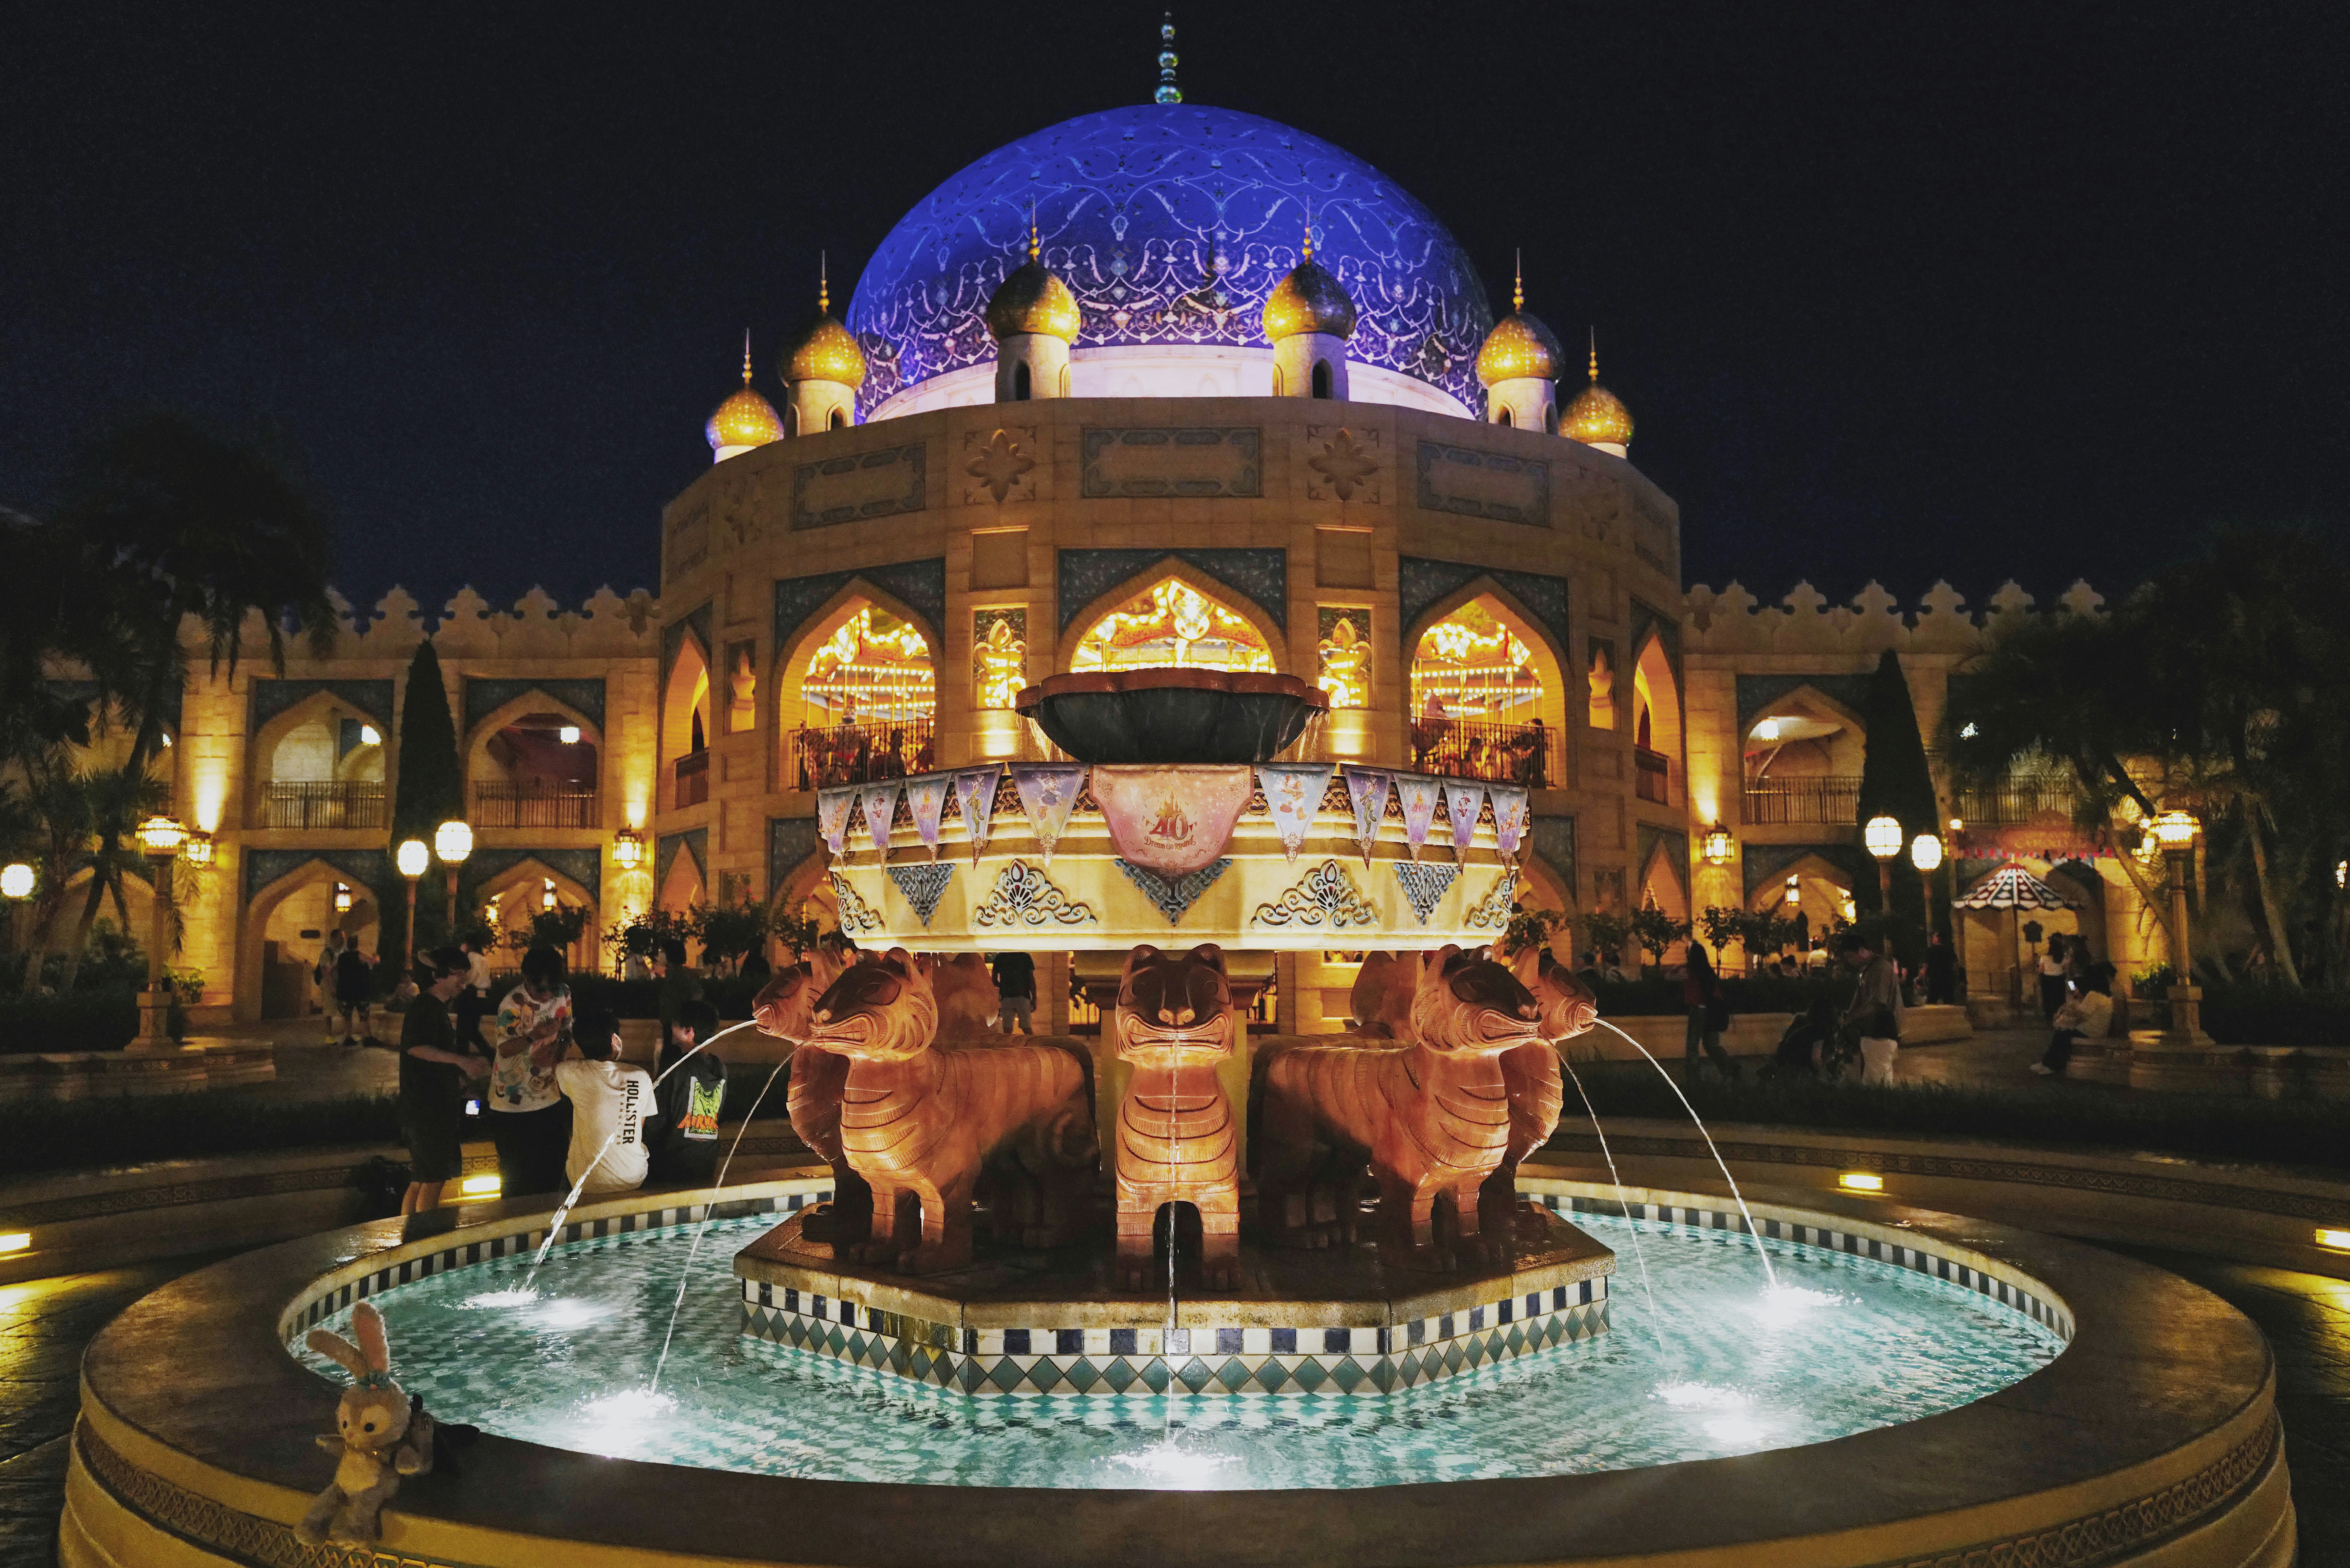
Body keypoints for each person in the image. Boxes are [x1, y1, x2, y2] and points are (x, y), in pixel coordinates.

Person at [396, 946, 490, 1214]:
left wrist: (462, 1083)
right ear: (438, 977)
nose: (463, 981)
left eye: (464, 974)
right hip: (427, 1109)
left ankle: (409, 1236)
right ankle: (424, 1239)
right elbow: (415, 1048)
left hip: (428, 1106)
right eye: (457, 975)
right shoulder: (425, 1007)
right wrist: (462, 1061)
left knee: (421, 1178)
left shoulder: (433, 1008)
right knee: (433, 1179)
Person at [486, 946, 574, 1198]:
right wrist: (536, 1035)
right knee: (517, 1180)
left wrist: (560, 1056)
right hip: (512, 1103)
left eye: (552, 988)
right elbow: (505, 1050)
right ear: (526, 979)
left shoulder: (564, 994)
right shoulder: (512, 1005)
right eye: (540, 989)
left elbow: (567, 1030)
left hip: (549, 1096)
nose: (547, 995)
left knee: (555, 1170)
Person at [555, 1003, 655, 1196]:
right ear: (614, 1039)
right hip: (634, 1176)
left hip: (587, 1182)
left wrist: (562, 1043)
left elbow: (556, 1067)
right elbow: (638, 1127)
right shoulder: (640, 1076)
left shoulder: (572, 1072)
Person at [652, 998, 727, 1184]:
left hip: (672, 1165)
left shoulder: (676, 1068)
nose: (671, 1028)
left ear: (689, 1032)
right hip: (706, 1162)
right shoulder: (720, 1068)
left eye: (675, 1025)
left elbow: (656, 1118)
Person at [1841, 930, 1904, 1086]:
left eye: (1850, 956)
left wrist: (1850, 1019)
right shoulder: (1868, 970)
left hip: (1881, 1032)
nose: (1850, 961)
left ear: (1863, 951)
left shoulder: (1880, 969)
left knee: (1878, 1080)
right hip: (1874, 1032)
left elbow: (1878, 1002)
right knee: (1872, 1078)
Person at [2033, 965, 2114, 1077]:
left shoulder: (2093, 996)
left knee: (2062, 1035)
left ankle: (2053, 1065)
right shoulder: (2106, 997)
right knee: (2063, 1033)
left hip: (2090, 1031)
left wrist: (2067, 1009)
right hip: (2098, 1030)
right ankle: (2048, 1063)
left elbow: (2079, 1015)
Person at [1682, 945, 1738, 1081]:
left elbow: (1669, 976)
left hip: (1698, 1010)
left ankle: (1693, 1077)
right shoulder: (1708, 971)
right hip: (1712, 1011)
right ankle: (1730, 1068)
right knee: (1711, 1044)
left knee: (1692, 1044)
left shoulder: (1691, 971)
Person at [1767, 996, 1838, 1079]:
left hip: (1783, 1065)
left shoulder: (1807, 1028)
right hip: (1792, 1070)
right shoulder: (1820, 1030)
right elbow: (1816, 1058)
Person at [333, 941, 375, 1047]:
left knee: (347, 1015)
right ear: (357, 945)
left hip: (345, 991)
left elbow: (330, 968)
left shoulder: (341, 957)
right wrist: (377, 957)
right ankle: (367, 1037)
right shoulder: (359, 956)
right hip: (360, 990)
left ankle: (348, 1037)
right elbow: (373, 961)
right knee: (364, 1014)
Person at [315, 929, 349, 1045]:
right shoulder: (327, 953)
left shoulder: (343, 951)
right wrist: (331, 988)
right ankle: (329, 1036)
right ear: (334, 938)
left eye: (344, 938)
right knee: (329, 1011)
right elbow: (326, 972)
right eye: (341, 938)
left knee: (345, 1009)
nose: (343, 940)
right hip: (330, 984)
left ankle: (347, 1034)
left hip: (341, 984)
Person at [990, 951, 1037, 1034]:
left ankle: (1007, 1046)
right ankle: (1033, 1046)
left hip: (1007, 997)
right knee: (1027, 1029)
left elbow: (994, 979)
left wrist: (1003, 987)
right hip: (1023, 995)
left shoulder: (1001, 957)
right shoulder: (1025, 957)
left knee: (1007, 1030)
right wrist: (1034, 998)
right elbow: (1031, 980)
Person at [2037, 934, 2070, 1022]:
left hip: (2047, 980)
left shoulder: (2045, 958)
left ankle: (2049, 1016)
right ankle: (2059, 1015)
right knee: (2059, 998)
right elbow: (2066, 970)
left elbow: (2041, 970)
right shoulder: (2064, 958)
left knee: (2048, 998)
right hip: (2060, 980)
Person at [1924, 930, 1957, 1006]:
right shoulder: (1949, 950)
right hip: (1947, 978)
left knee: (1931, 1001)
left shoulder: (1931, 951)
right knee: (1949, 1000)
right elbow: (1955, 963)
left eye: (1935, 937)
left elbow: (1926, 965)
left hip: (1934, 978)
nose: (1933, 938)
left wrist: (1924, 976)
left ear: (1938, 939)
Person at [461, 931, 494, 998]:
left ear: (468, 945)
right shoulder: (481, 958)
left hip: (473, 995)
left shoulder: (471, 958)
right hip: (484, 994)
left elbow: (470, 977)